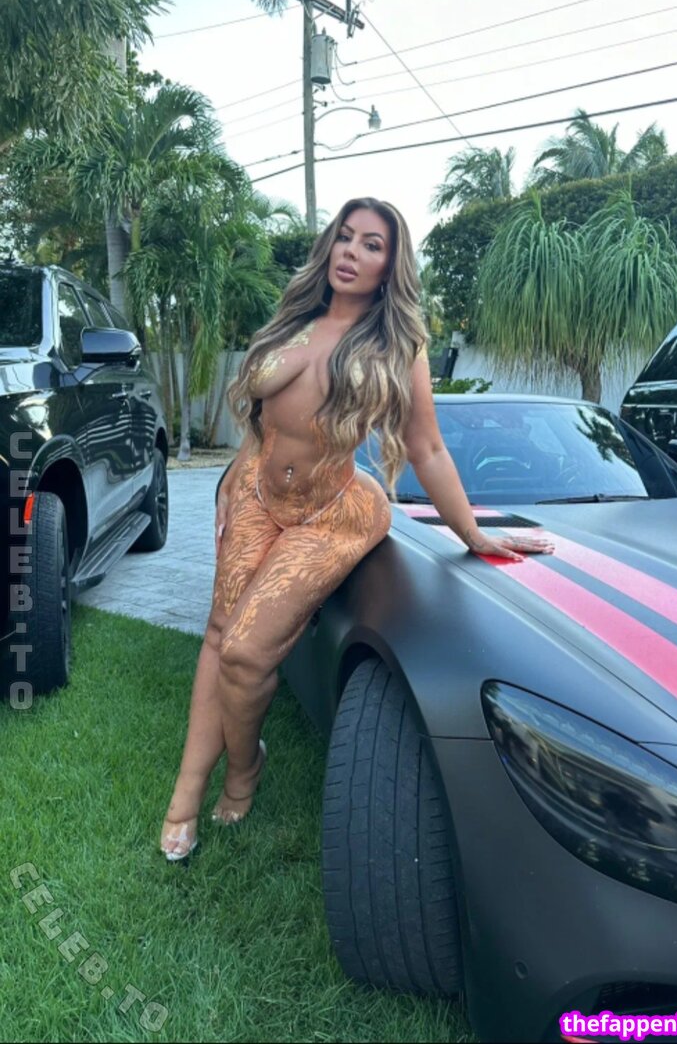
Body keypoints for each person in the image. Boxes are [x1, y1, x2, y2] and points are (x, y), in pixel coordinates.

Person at [159, 197, 554, 862]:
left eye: (372, 244)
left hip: (332, 510)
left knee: (247, 654)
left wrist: (473, 533)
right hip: (257, 494)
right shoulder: (294, 320)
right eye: (345, 237)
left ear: (390, 265)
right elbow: (260, 418)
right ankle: (187, 794)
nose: (352, 252)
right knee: (219, 634)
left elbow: (427, 449)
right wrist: (233, 475)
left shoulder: (399, 345)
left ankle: (245, 768)